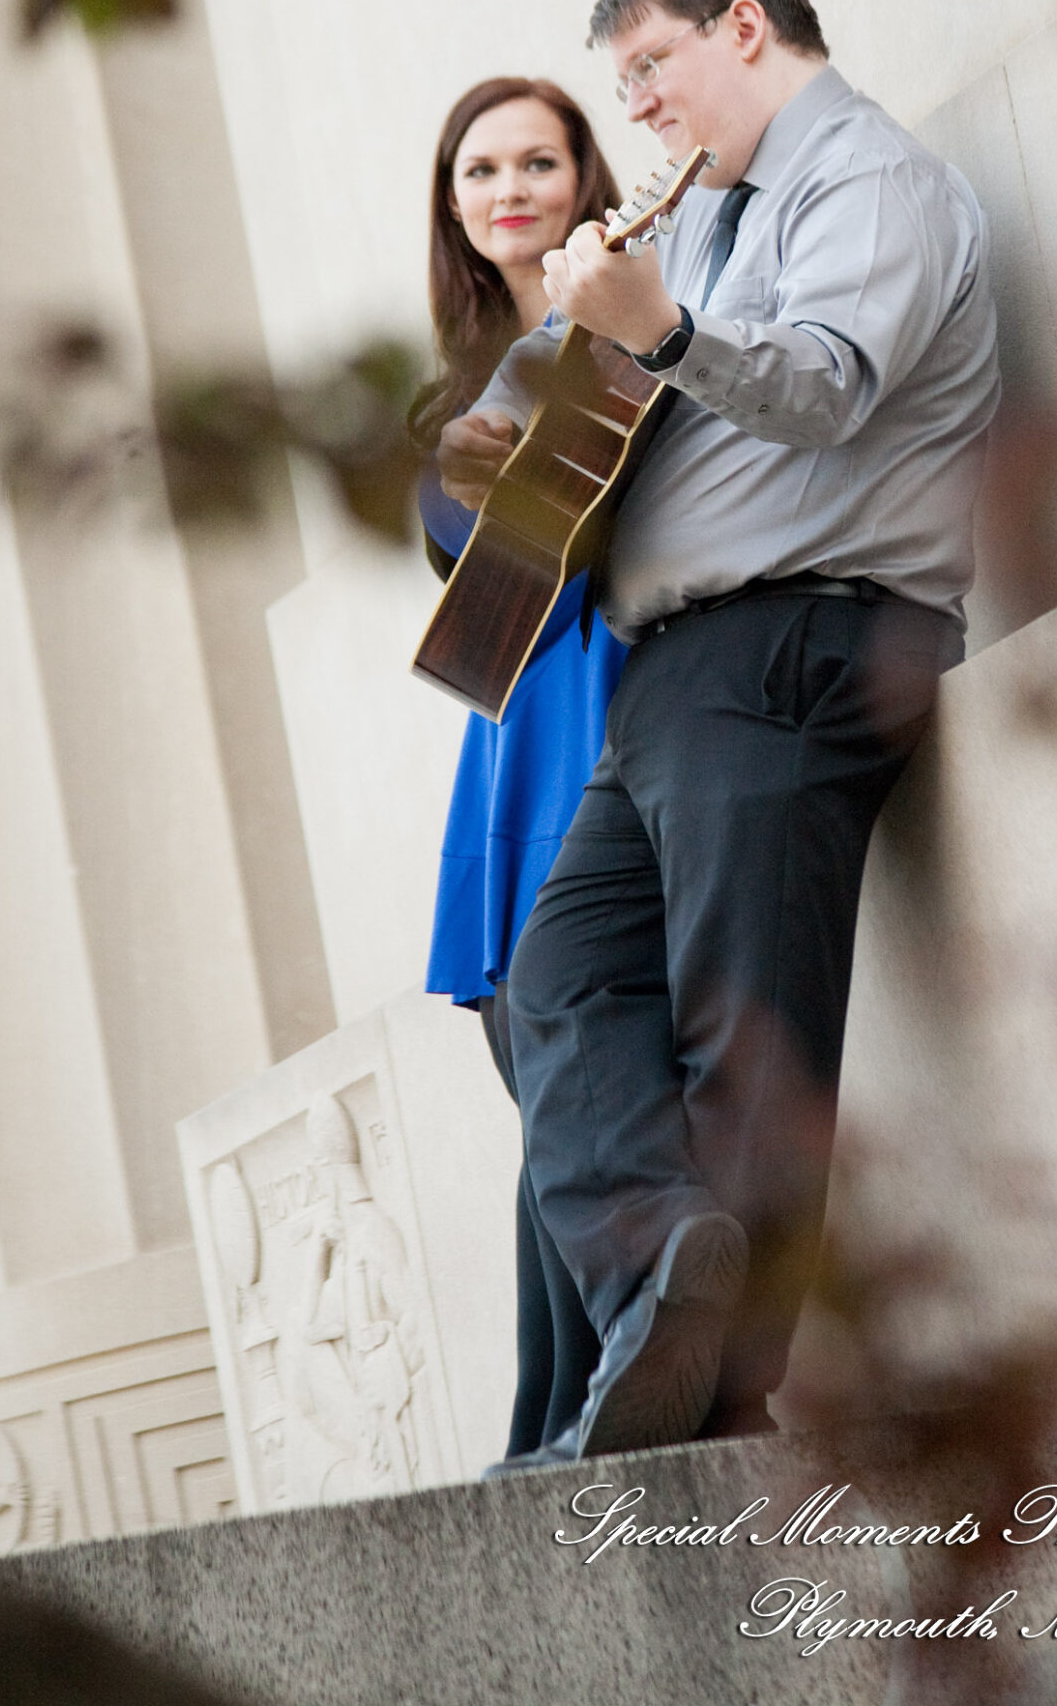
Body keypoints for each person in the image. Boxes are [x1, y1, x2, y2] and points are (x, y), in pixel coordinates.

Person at [438, 0, 1000, 1460]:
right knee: (554, 977)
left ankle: (717, 1401)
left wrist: (662, 331)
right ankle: (661, 1261)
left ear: (742, 27)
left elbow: (822, 385)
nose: (641, 115)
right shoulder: (703, 216)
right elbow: (545, 413)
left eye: (651, 72)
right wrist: (524, 410)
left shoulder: (862, 182)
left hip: (804, 644)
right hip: (680, 673)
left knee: (744, 1026)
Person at [415, 75, 627, 1459]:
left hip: (613, 691)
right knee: (537, 1082)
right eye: (480, 169)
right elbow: (470, 576)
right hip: (510, 724)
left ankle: (575, 1411)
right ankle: (551, 1417)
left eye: (538, 161)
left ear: (582, 175)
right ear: (452, 205)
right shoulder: (453, 392)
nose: (510, 188)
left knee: (579, 1078)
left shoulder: (631, 316)